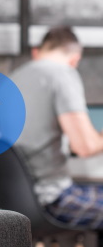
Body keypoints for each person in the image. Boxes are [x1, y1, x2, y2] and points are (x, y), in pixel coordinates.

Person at [11, 26, 103, 229]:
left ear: (37, 52)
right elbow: (85, 147)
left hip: (14, 200)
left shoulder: (14, 78)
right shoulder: (62, 74)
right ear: (75, 59)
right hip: (53, 200)